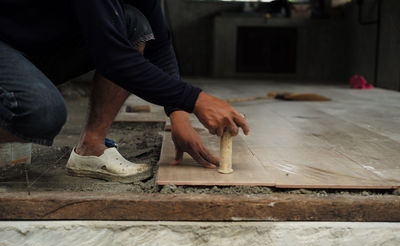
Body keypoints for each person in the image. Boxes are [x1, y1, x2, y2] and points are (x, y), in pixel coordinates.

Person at [0, 0, 249, 181]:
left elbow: (159, 46)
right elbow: (115, 60)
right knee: (43, 113)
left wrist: (179, 114)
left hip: (35, 47)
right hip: (7, 43)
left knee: (134, 25)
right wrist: (196, 100)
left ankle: (91, 149)